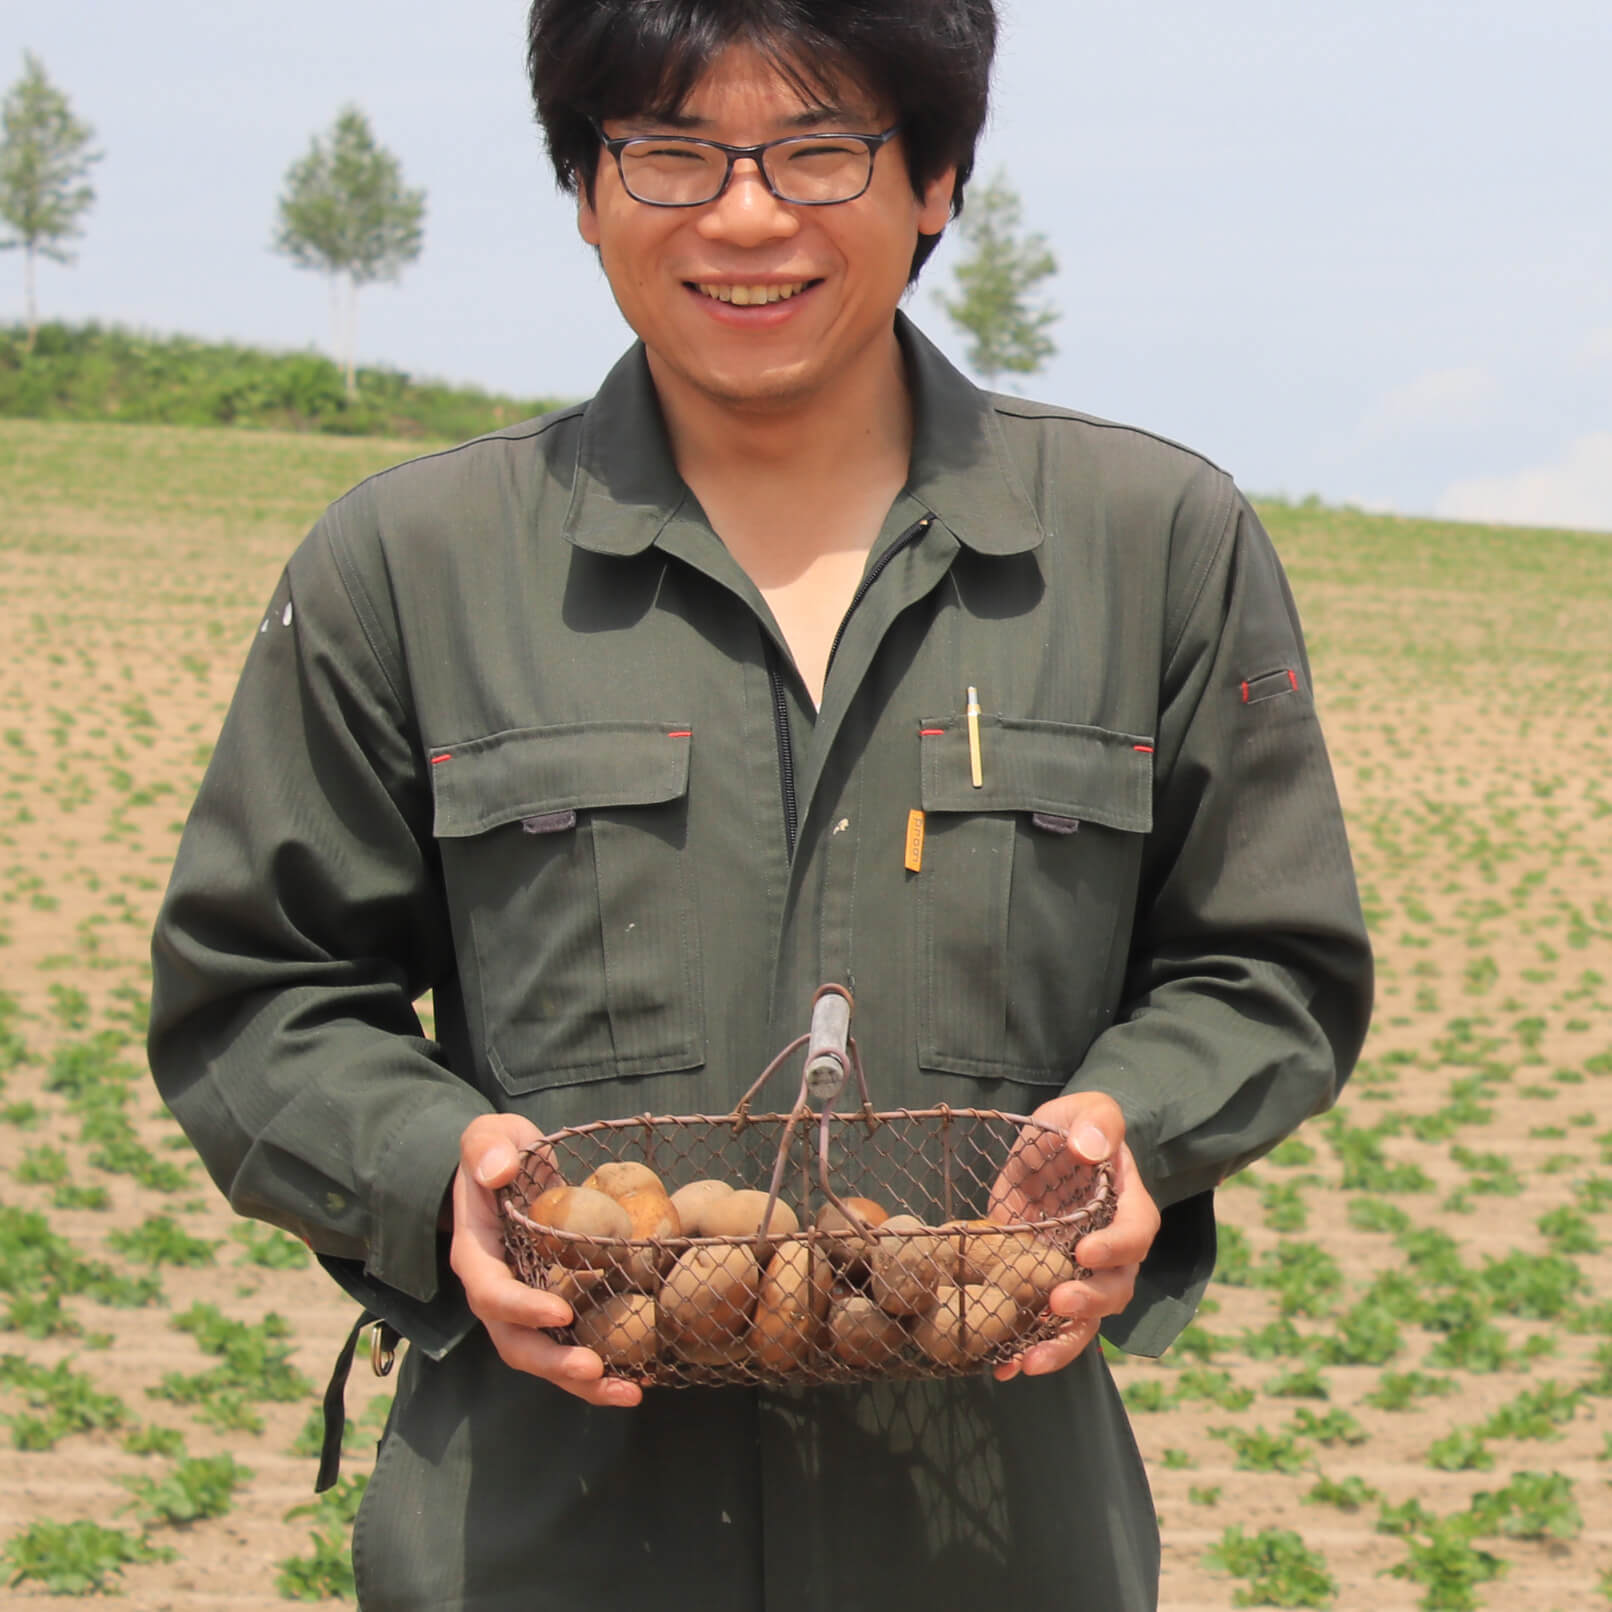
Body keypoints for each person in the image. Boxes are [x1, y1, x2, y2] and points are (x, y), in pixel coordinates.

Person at [148, 2, 1373, 1607]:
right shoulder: (410, 566)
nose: (744, 215)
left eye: (818, 150)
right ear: (584, 188)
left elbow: (1267, 964)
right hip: (538, 1539)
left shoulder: (1153, 547)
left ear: (936, 179)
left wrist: (1129, 1125)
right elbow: (258, 991)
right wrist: (427, 1163)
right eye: (669, 152)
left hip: (994, 1540)